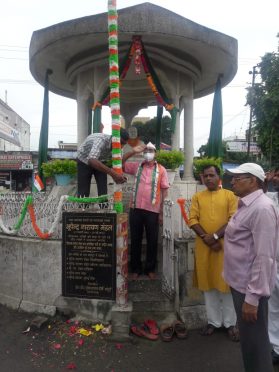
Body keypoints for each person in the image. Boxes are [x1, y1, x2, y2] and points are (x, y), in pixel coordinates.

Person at [223, 163, 279, 372]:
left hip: (249, 288)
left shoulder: (262, 208)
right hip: (240, 283)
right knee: (249, 341)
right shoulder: (246, 204)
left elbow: (265, 257)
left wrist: (253, 298)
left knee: (256, 345)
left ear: (253, 181)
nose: (232, 182)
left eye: (238, 178)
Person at [188, 165, 239, 341]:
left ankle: (230, 323)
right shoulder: (197, 197)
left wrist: (216, 236)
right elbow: (192, 219)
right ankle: (213, 322)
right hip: (204, 247)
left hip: (225, 247)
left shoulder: (230, 196)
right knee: (208, 285)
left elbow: (234, 219)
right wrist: (207, 239)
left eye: (212, 175)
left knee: (225, 285)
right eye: (205, 176)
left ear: (219, 177)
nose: (208, 178)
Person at [123, 142, 169, 280]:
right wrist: (133, 151)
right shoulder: (137, 166)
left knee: (152, 240)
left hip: (153, 210)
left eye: (151, 150)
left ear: (155, 153)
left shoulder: (161, 170)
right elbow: (120, 164)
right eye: (146, 150)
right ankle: (135, 269)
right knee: (135, 240)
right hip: (136, 208)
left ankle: (150, 268)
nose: (148, 152)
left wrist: (161, 213)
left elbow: (165, 191)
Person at [76, 128, 143, 197]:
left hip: (100, 161)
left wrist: (132, 152)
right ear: (113, 138)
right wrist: (113, 174)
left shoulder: (118, 147)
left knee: (103, 191)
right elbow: (91, 160)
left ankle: (103, 207)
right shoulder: (100, 140)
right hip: (84, 161)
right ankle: (83, 207)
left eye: (124, 144)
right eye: (121, 142)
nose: (121, 146)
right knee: (83, 191)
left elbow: (119, 162)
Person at [266, 167, 279, 365]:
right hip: (274, 262)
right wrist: (265, 181)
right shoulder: (270, 197)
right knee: (274, 308)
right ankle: (276, 348)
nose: (275, 178)